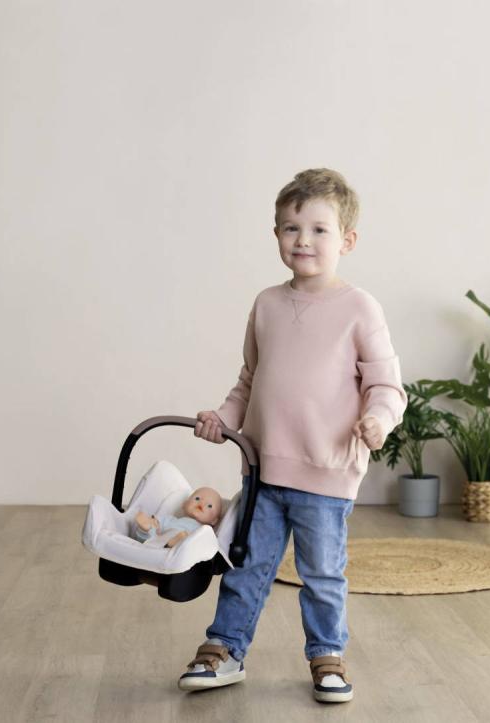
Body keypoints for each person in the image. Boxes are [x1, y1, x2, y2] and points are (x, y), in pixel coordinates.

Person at [178, 168, 408, 703]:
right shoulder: (266, 304)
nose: (303, 239)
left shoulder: (359, 308)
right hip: (263, 470)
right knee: (245, 567)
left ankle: (327, 655)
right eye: (290, 228)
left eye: (319, 229)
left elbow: (386, 386)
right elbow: (249, 380)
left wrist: (378, 420)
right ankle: (224, 648)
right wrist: (223, 420)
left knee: (322, 573)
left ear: (347, 240)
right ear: (276, 234)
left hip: (326, 473)